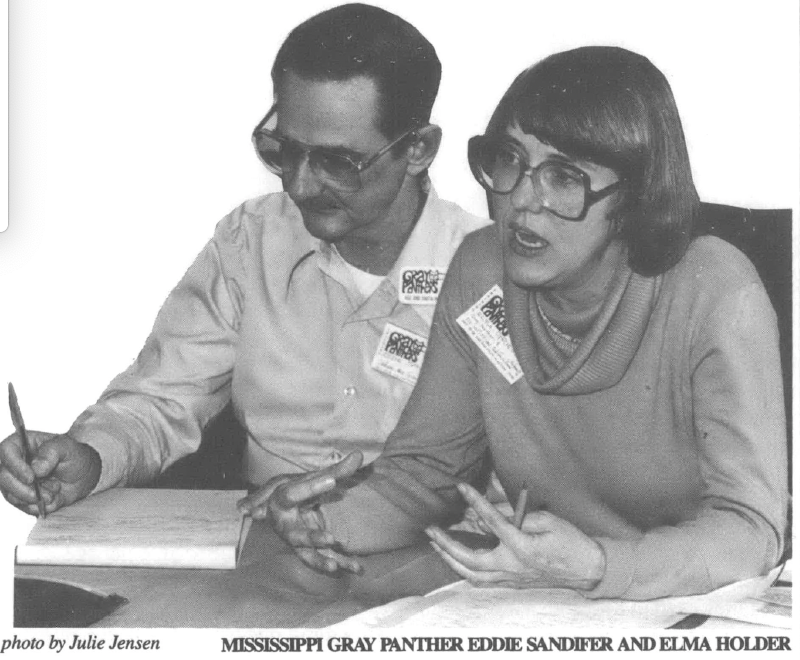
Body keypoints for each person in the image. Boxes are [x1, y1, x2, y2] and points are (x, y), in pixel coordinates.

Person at [242, 46, 789, 599]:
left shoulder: (717, 290)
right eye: (509, 160)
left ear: (634, 195)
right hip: (548, 596)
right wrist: (322, 521)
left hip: (692, 604)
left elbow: (754, 530)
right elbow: (425, 476)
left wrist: (599, 565)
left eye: (564, 176)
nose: (522, 201)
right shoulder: (482, 272)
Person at [0, 4, 488, 522]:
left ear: (418, 149)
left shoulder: (488, 271)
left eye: (336, 163)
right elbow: (163, 399)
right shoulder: (251, 242)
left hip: (428, 545)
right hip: (263, 541)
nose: (298, 185)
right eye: (284, 150)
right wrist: (92, 456)